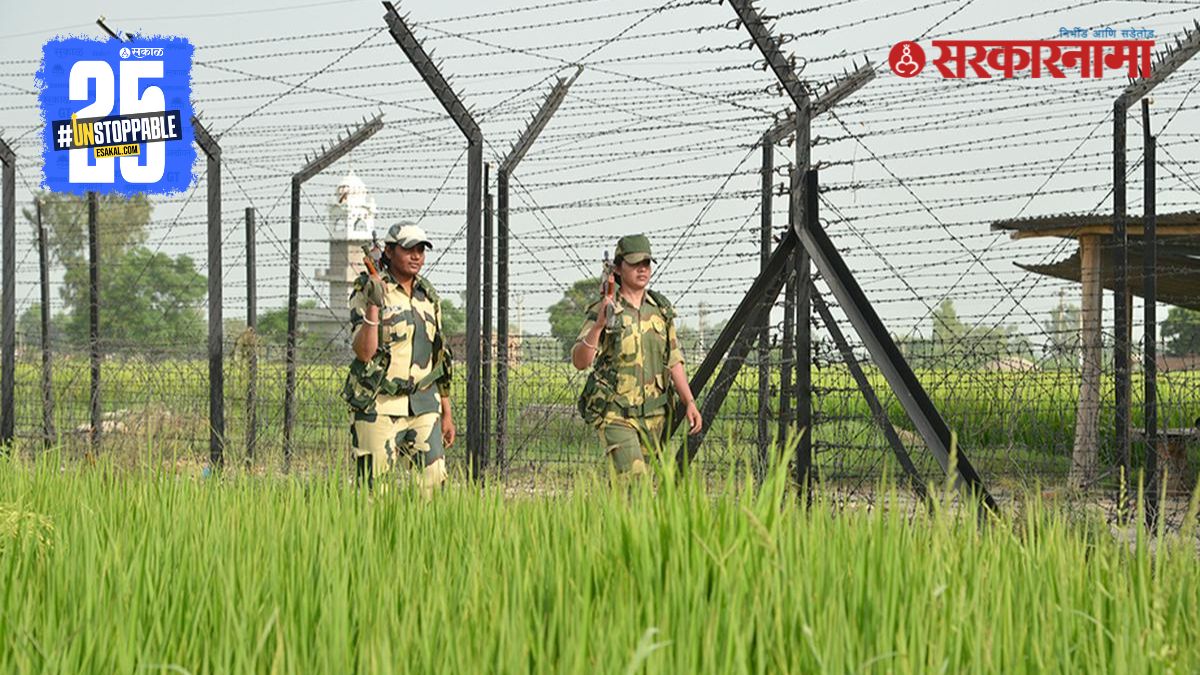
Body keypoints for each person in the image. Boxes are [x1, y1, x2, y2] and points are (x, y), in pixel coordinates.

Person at [572, 234, 703, 476]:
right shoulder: (606, 309)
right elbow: (581, 361)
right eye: (634, 264)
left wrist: (690, 402)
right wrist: (599, 325)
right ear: (618, 269)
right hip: (616, 414)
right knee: (634, 483)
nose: (642, 269)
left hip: (654, 417)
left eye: (647, 263)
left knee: (635, 497)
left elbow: (674, 360)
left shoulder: (661, 310)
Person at [342, 223, 455, 496]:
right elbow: (364, 352)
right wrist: (373, 304)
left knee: (434, 485)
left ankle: (426, 538)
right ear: (390, 252)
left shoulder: (427, 296)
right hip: (378, 406)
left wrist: (447, 410)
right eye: (408, 249)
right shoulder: (368, 288)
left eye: (420, 250)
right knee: (372, 492)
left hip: (423, 405)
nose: (416, 256)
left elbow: (439, 355)